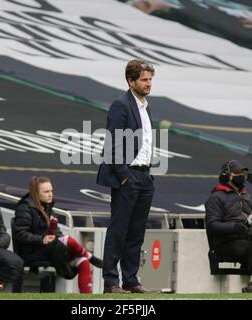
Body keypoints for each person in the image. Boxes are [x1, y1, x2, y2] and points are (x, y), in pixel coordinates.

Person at [96, 59, 155, 293]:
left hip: (144, 175)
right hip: (128, 175)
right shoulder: (121, 104)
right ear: (131, 81)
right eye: (144, 79)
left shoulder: (146, 106)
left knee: (136, 231)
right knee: (119, 229)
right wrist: (122, 175)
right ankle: (111, 281)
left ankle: (131, 279)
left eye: (150, 79)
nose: (148, 83)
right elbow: (113, 142)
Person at [13, 176, 103, 294]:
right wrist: (41, 239)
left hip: (50, 249)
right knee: (67, 240)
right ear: (36, 193)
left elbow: (57, 233)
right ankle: (89, 255)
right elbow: (20, 234)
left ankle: (87, 296)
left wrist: (55, 238)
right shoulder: (24, 208)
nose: (50, 194)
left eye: (51, 191)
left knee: (82, 260)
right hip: (31, 251)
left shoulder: (48, 207)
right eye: (46, 192)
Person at [204, 160, 252, 280]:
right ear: (227, 175)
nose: (242, 176)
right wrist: (235, 227)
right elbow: (212, 225)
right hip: (226, 243)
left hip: (247, 239)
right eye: (238, 173)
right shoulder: (216, 197)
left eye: (244, 174)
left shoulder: (247, 196)